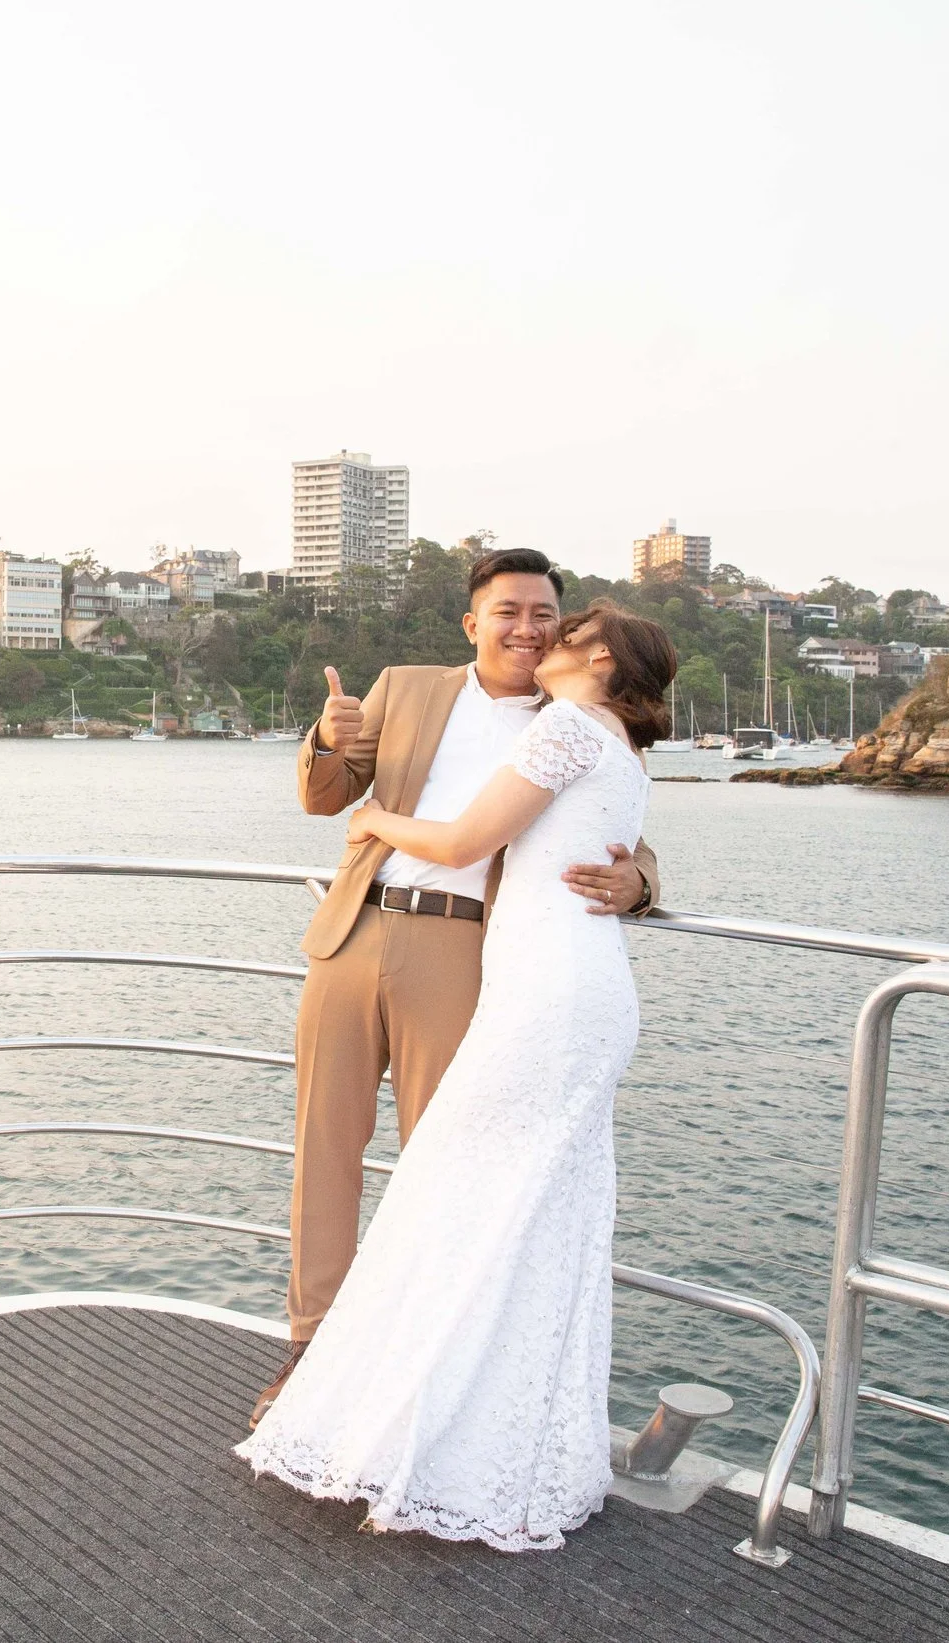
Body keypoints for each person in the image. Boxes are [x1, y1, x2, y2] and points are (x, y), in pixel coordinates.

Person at [237, 603, 679, 1550]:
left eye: (558, 626)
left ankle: (428, 1423)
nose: (537, 637)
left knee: (461, 1193)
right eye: (516, 616)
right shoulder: (602, 737)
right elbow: (582, 826)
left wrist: (378, 820)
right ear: (477, 617)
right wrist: (333, 744)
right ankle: (494, 1430)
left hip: (535, 992)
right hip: (554, 985)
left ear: (594, 654)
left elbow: (470, 840)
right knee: (526, 1208)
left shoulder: (564, 723)